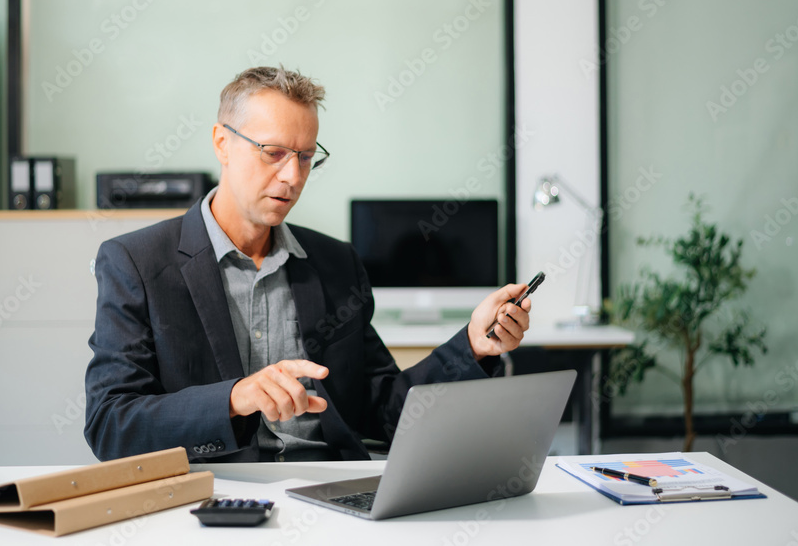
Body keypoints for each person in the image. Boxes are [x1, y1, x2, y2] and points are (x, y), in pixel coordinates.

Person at [84, 66, 532, 463]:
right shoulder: (136, 262)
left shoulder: (337, 263)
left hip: (330, 489)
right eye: (273, 152)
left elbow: (386, 411)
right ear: (222, 143)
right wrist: (234, 399)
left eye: (305, 157)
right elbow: (111, 424)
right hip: (216, 493)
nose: (293, 176)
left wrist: (472, 345)